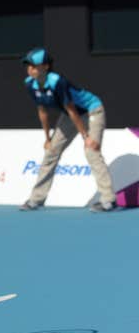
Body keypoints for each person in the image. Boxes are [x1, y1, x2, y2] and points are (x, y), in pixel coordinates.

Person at [19, 47, 116, 212]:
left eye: (34, 65)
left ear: (46, 67)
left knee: (91, 151)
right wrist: (48, 139)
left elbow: (72, 110)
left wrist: (86, 137)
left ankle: (108, 200)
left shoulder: (57, 82)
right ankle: (36, 199)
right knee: (51, 153)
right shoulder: (30, 84)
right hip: (70, 116)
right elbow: (42, 111)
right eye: (28, 65)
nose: (30, 69)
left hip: (92, 110)